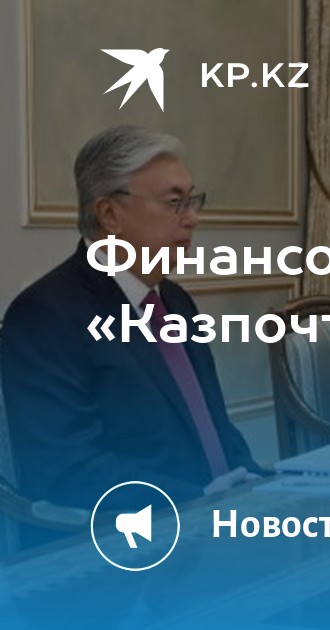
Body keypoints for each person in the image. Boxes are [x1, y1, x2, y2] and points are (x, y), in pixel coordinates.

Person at [1, 126, 262, 511]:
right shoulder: (46, 315)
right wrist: (198, 501)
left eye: (193, 200)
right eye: (175, 202)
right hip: (136, 534)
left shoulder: (175, 300)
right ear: (109, 214)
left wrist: (259, 484)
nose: (192, 218)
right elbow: (67, 471)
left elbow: (215, 427)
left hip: (223, 516)